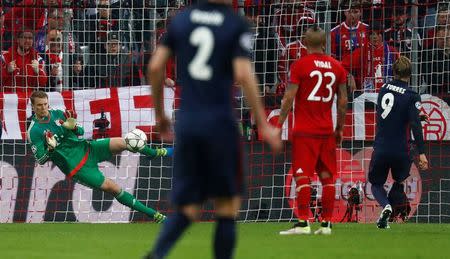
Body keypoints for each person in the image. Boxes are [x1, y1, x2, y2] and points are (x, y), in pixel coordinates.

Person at [144, 1, 282, 258]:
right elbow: (243, 73)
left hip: (188, 122)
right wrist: (263, 123)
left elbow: (154, 67)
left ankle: (156, 255)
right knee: (227, 208)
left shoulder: (181, 20)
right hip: (220, 123)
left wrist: (161, 116)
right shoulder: (233, 23)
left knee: (187, 209)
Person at [27, 90, 172, 223]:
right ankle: (156, 216)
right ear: (33, 106)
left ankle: (155, 153)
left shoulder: (58, 113)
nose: (43, 108)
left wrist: (74, 127)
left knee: (126, 142)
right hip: (77, 167)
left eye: (45, 104)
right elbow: (40, 159)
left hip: (88, 148)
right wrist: (51, 149)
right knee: (114, 188)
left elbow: (81, 131)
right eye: (39, 105)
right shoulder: (34, 131)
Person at [277, 25, 349, 235]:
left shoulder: (300, 66)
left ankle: (302, 223)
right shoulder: (337, 67)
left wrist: (279, 123)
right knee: (327, 177)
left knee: (302, 176)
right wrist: (340, 128)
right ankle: (326, 224)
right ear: (324, 43)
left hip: (305, 130)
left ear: (305, 43)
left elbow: (289, 97)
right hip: (326, 129)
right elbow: (343, 101)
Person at [368, 56, 428, 229]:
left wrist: (413, 117)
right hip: (402, 149)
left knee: (376, 184)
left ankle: (386, 206)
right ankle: (393, 211)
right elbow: (415, 126)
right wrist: (422, 153)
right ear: (410, 74)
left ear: (394, 72)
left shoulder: (383, 89)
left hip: (381, 147)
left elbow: (387, 113)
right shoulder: (412, 95)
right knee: (399, 181)